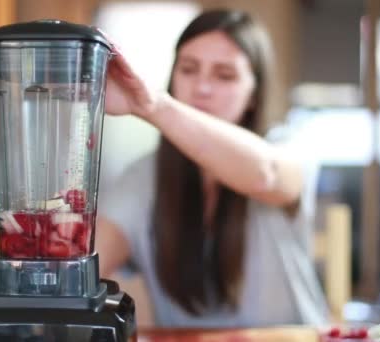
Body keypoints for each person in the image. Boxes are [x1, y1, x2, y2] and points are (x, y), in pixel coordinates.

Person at [96, 8, 330, 327]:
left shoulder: (286, 148)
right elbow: (89, 262)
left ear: (253, 93)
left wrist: (153, 106)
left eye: (225, 75)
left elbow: (266, 175)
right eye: (189, 69)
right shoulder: (142, 178)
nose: (202, 88)